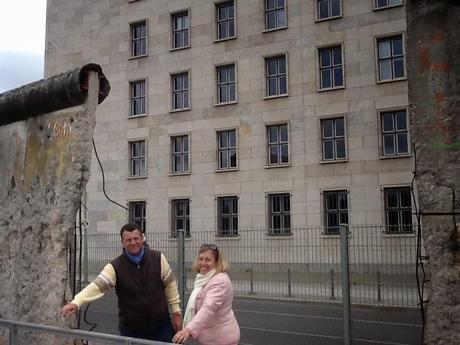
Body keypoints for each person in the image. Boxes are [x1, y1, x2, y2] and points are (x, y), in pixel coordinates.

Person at [60, 223, 182, 342]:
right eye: (128, 240)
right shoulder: (115, 267)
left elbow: (170, 285)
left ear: (142, 238)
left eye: (136, 238)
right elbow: (97, 286)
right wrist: (77, 302)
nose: (133, 243)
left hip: (161, 327)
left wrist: (176, 313)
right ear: (122, 242)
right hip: (132, 330)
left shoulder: (159, 258)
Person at [172, 244, 240, 345]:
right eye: (201, 259)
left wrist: (188, 329)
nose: (203, 263)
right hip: (212, 337)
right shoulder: (203, 278)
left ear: (217, 262)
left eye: (208, 260)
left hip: (221, 339)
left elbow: (208, 307)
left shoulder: (219, 281)